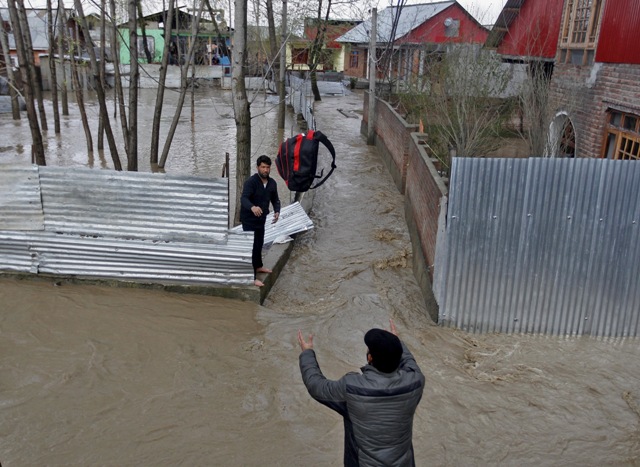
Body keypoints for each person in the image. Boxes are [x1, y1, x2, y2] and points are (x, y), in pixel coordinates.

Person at [297, 320, 425, 466]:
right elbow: (409, 361)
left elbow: (316, 386)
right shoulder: (415, 382)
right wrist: (395, 342)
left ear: (370, 358)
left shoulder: (352, 387)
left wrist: (307, 353)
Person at [240, 155, 280, 287]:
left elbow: (275, 199)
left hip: (261, 219)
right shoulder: (251, 182)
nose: (265, 170)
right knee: (250, 248)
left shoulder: (272, 183)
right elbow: (244, 199)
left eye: (268, 167)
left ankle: (258, 266)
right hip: (249, 219)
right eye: (263, 167)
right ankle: (251, 277)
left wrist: (277, 210)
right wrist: (252, 207)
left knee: (259, 244)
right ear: (258, 167)